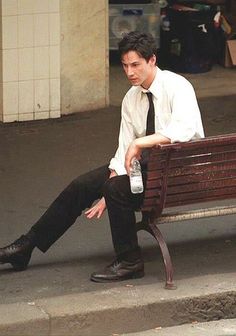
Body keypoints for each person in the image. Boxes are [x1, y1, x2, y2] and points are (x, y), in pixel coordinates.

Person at [0, 31, 204, 282]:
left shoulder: (178, 86)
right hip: (147, 169)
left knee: (116, 189)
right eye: (125, 65)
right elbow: (123, 149)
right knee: (82, 186)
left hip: (178, 173)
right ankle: (26, 247)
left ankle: (130, 261)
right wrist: (110, 179)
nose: (129, 72)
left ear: (152, 60)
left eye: (136, 65)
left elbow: (185, 130)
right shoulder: (132, 98)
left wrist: (138, 147)